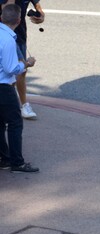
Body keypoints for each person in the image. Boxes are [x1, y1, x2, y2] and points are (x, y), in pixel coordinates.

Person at [0, 3, 38, 172]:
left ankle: (4, 158)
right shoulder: (8, 40)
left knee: (0, 124)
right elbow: (10, 68)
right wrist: (26, 65)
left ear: (1, 17)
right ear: (18, 20)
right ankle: (17, 162)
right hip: (3, 87)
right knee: (15, 123)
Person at [0, 0, 44, 120]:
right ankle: (18, 105)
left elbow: (36, 3)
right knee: (15, 69)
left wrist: (39, 12)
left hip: (19, 34)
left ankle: (21, 105)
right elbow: (5, 11)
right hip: (5, 34)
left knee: (20, 71)